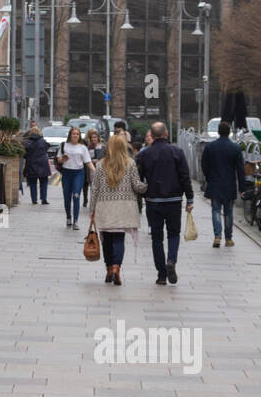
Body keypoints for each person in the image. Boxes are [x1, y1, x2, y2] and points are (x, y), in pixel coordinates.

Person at [136, 121, 194, 285]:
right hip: (174, 200)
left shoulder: (143, 154)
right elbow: (185, 176)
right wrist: (189, 198)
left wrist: (143, 195)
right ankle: (171, 261)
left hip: (153, 200)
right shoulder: (177, 152)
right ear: (166, 134)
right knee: (173, 234)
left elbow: (138, 180)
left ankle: (161, 275)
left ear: (152, 136)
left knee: (156, 238)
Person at [88, 135, 148, 286]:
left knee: (107, 240)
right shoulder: (130, 164)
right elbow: (137, 186)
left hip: (105, 207)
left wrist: (92, 209)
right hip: (124, 208)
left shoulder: (101, 165)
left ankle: (109, 270)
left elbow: (95, 188)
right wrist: (148, 185)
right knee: (119, 239)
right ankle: (116, 269)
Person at [200, 120, 244, 248]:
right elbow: (240, 170)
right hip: (229, 184)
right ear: (229, 132)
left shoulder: (210, 147)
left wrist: (209, 177)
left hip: (214, 183)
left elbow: (204, 165)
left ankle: (217, 236)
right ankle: (228, 238)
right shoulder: (235, 148)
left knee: (215, 210)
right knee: (229, 212)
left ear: (218, 132)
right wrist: (242, 187)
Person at [56, 125, 90, 229]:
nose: (75, 135)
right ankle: (68, 217)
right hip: (66, 173)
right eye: (73, 133)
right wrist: (63, 159)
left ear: (79, 136)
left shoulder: (83, 147)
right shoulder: (64, 145)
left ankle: (76, 221)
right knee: (67, 198)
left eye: (77, 134)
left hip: (78, 173)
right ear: (70, 135)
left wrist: (96, 171)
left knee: (76, 196)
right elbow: (58, 160)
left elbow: (88, 161)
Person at [22, 124, 51, 206]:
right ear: (39, 133)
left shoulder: (27, 142)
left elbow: (24, 155)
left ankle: (34, 200)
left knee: (32, 183)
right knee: (44, 182)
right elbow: (47, 148)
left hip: (31, 163)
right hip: (43, 163)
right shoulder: (43, 141)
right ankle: (44, 198)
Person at [82, 129, 104, 208]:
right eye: (92, 138)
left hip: (100, 169)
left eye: (95, 137)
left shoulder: (102, 147)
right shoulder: (88, 147)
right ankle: (88, 200)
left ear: (98, 138)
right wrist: (91, 161)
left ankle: (97, 201)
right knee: (91, 185)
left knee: (98, 186)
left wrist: (99, 160)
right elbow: (85, 157)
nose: (94, 139)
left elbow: (106, 157)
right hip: (89, 169)